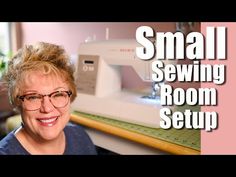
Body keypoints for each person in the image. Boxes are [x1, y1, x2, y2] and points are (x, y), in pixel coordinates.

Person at [0, 42, 97, 155]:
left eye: (58, 94)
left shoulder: (81, 137)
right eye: (33, 97)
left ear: (70, 96)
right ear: (17, 102)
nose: (47, 108)